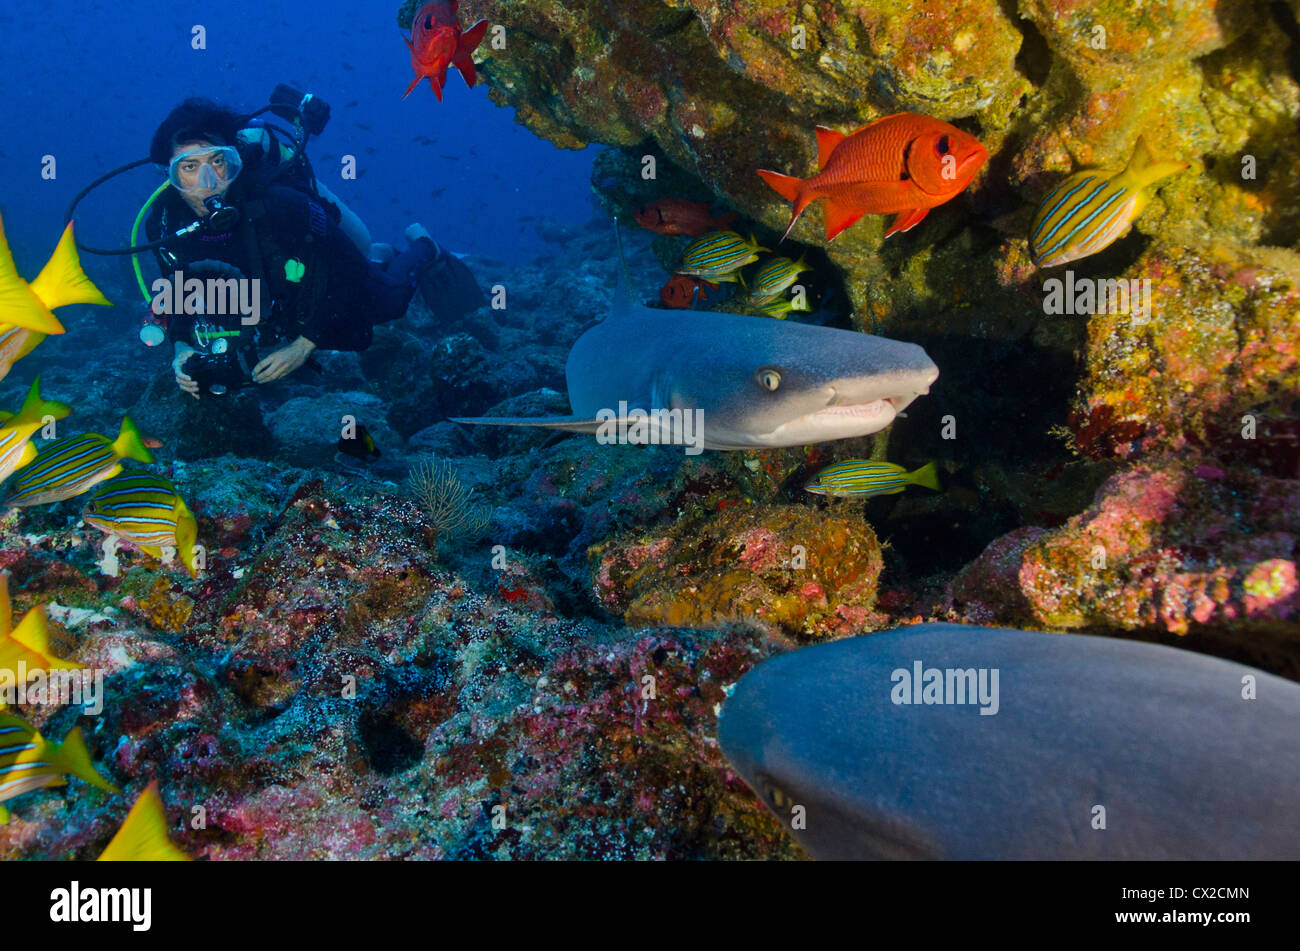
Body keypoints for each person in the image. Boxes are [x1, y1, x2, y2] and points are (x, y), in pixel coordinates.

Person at [146, 96, 487, 398]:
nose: (209, 183)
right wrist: (181, 348)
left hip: (326, 266)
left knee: (389, 303)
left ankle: (423, 245)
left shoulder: (281, 204)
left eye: (218, 162)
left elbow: (347, 267)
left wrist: (303, 345)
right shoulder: (162, 225)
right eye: (189, 168)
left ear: (233, 160)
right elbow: (180, 291)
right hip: (275, 288)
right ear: (169, 175)